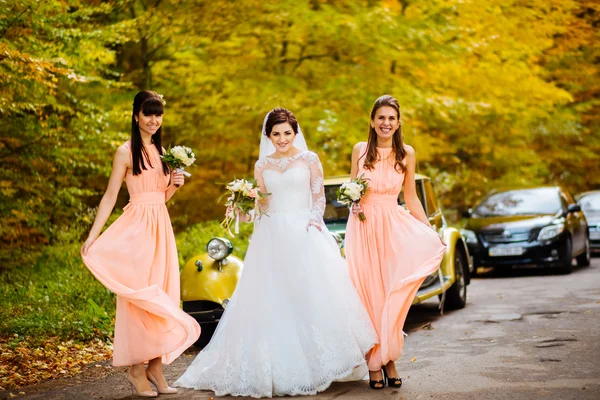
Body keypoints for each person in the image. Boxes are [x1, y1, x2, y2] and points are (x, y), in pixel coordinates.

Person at [175, 108, 377, 397]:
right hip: (271, 236)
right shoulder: (262, 165)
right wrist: (241, 211)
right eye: (276, 134)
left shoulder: (309, 159)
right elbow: (263, 206)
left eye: (287, 133)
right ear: (268, 136)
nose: (282, 139)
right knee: (274, 299)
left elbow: (318, 198)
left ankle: (322, 363)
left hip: (305, 232)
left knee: (309, 295)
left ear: (295, 133)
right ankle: (280, 367)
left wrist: (312, 220)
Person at [81, 90, 200, 398]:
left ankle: (156, 367)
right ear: (136, 116)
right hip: (137, 227)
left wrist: (174, 186)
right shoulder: (125, 151)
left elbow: (160, 198)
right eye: (148, 114)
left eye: (158, 114)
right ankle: (136, 369)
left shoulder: (165, 154)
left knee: (162, 294)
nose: (153, 120)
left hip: (161, 226)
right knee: (139, 297)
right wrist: (94, 234)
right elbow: (110, 196)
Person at [345, 95, 446, 390]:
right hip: (362, 228)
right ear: (372, 121)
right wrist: (352, 204)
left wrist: (429, 230)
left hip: (392, 227)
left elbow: (411, 198)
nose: (385, 123)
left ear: (398, 123)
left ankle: (389, 359)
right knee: (369, 295)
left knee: (390, 295)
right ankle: (375, 365)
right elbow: (352, 189)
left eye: (391, 118)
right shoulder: (360, 151)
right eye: (381, 117)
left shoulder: (407, 154)